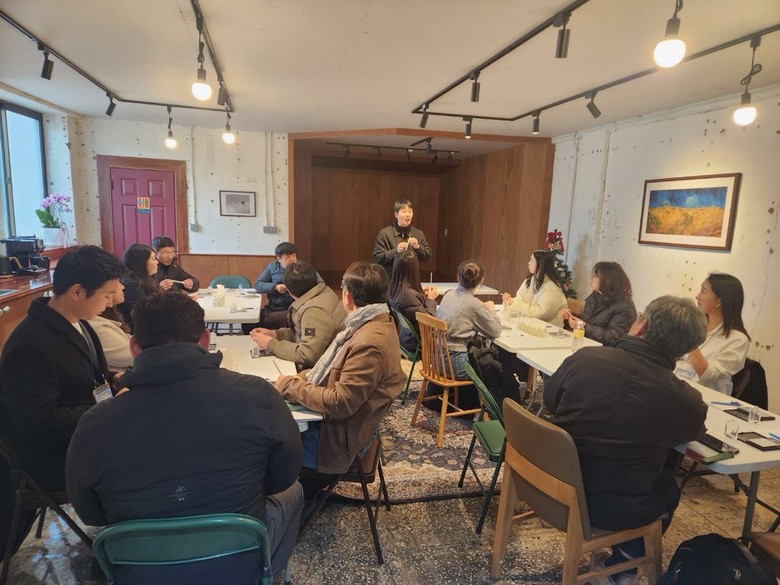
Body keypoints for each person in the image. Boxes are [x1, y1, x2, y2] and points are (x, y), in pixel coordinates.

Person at [66, 292, 303, 583]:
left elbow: (90, 512)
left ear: (134, 346)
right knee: (294, 491)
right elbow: (284, 475)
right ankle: (266, 576)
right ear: (205, 339)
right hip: (235, 557)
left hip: (141, 567)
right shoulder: (259, 395)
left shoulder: (95, 423)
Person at [543, 295, 708, 585]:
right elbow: (689, 435)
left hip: (549, 487)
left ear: (640, 325)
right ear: (683, 352)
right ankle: (622, 566)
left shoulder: (584, 359)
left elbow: (550, 400)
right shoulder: (687, 401)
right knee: (669, 490)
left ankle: (622, 567)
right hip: (614, 510)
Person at [0, 245, 126, 554]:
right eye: (107, 295)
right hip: (53, 457)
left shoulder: (78, 322)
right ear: (77, 291)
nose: (112, 302)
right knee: (144, 457)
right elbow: (37, 424)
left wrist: (114, 380)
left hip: (85, 434)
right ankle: (126, 547)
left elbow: (86, 376)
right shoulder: (30, 344)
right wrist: (106, 408)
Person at [275, 262, 405, 474]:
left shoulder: (369, 342)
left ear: (347, 297)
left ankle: (298, 492)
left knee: (264, 443)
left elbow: (340, 403)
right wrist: (302, 378)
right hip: (342, 430)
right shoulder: (374, 322)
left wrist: (290, 386)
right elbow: (333, 369)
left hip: (337, 443)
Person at [250, 262, 347, 370]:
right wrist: (275, 334)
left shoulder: (314, 311)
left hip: (323, 370)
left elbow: (308, 355)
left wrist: (271, 344)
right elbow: (304, 334)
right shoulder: (323, 291)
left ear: (289, 291)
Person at [675, 273, 750, 395]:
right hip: (675, 387)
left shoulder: (738, 340)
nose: (697, 297)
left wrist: (690, 339)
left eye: (703, 291)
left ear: (719, 301)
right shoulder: (697, 325)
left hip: (703, 398)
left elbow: (707, 374)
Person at [436, 260, 502, 380]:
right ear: (481, 281)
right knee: (497, 369)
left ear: (458, 277)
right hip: (456, 365)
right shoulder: (475, 305)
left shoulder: (448, 294)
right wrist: (492, 310)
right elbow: (495, 331)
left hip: (436, 358)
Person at [243, 242, 324, 333]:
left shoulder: (303, 267)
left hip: (294, 308)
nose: (292, 259)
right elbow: (258, 285)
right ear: (279, 259)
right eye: (287, 257)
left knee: (269, 320)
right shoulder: (272, 267)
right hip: (273, 307)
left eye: (294, 255)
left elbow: (321, 284)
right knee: (247, 322)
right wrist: (275, 287)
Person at [560, 261, 637, 346]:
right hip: (588, 343)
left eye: (595, 276)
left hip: (607, 350)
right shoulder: (596, 296)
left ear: (608, 280)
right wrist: (571, 316)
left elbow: (612, 338)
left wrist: (584, 326)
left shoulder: (624, 306)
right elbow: (586, 320)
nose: (591, 278)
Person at [388, 249, 439, 353]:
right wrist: (430, 298)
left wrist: (421, 295)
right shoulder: (407, 296)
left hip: (406, 338)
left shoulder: (394, 289)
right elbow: (427, 320)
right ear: (414, 269)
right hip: (419, 343)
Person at [501, 249, 567, 327]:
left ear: (541, 265)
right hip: (530, 324)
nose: (528, 263)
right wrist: (510, 301)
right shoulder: (530, 280)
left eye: (532, 261)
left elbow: (540, 313)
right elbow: (521, 298)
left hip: (548, 328)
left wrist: (514, 304)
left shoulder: (553, 289)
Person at [373, 198, 433, 276]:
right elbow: (377, 258)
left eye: (410, 211)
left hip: (412, 279)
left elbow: (428, 256)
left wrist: (418, 247)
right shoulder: (384, 233)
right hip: (391, 279)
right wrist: (396, 251)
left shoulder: (418, 233)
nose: (408, 215)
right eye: (404, 212)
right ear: (396, 214)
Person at [88, 283, 133, 369]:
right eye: (107, 295)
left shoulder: (101, 321)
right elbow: (134, 356)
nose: (123, 287)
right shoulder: (97, 327)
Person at [117, 243, 160, 332]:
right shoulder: (130, 285)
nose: (157, 262)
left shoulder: (147, 279)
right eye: (153, 259)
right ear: (141, 263)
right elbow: (145, 314)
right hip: (137, 329)